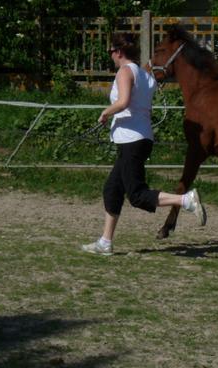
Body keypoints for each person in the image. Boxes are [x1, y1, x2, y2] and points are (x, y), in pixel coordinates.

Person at [82, 33, 206, 256]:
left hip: (132, 139)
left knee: (137, 195)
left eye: (111, 51)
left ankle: (185, 200)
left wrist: (105, 112)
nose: (110, 55)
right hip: (139, 138)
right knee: (112, 189)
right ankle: (105, 242)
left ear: (119, 51)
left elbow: (123, 101)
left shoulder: (125, 71)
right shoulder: (145, 75)